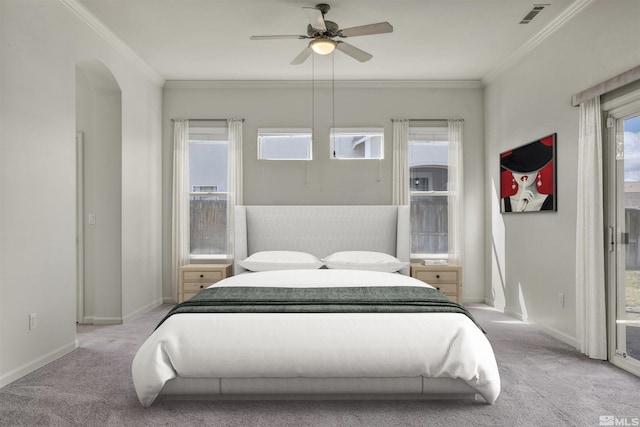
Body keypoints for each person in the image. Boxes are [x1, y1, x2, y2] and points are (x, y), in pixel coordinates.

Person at [500, 137, 555, 213]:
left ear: (538, 169)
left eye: (530, 165)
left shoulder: (552, 202)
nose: (524, 172)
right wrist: (519, 210)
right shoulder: (502, 204)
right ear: (512, 173)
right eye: (518, 167)